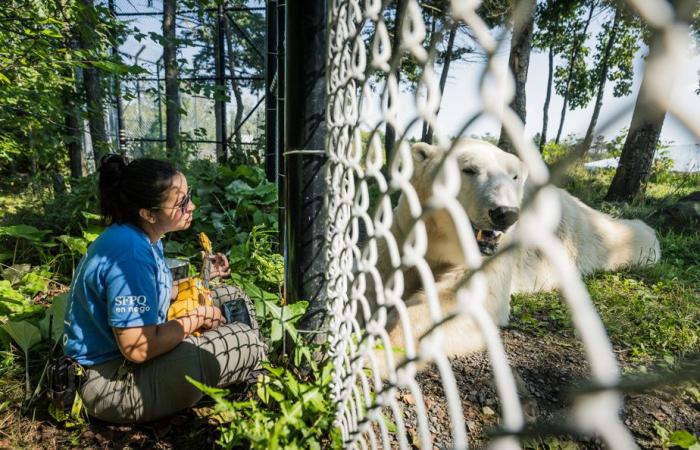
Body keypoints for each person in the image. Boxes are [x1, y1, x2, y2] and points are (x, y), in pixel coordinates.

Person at [61, 154, 265, 423]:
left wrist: (203, 277)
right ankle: (248, 375)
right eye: (181, 203)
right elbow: (137, 349)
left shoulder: (143, 235)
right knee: (245, 342)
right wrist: (195, 320)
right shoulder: (130, 253)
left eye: (188, 195)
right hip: (108, 381)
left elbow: (157, 291)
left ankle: (236, 366)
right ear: (148, 213)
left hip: (128, 359)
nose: (191, 206)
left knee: (233, 295)